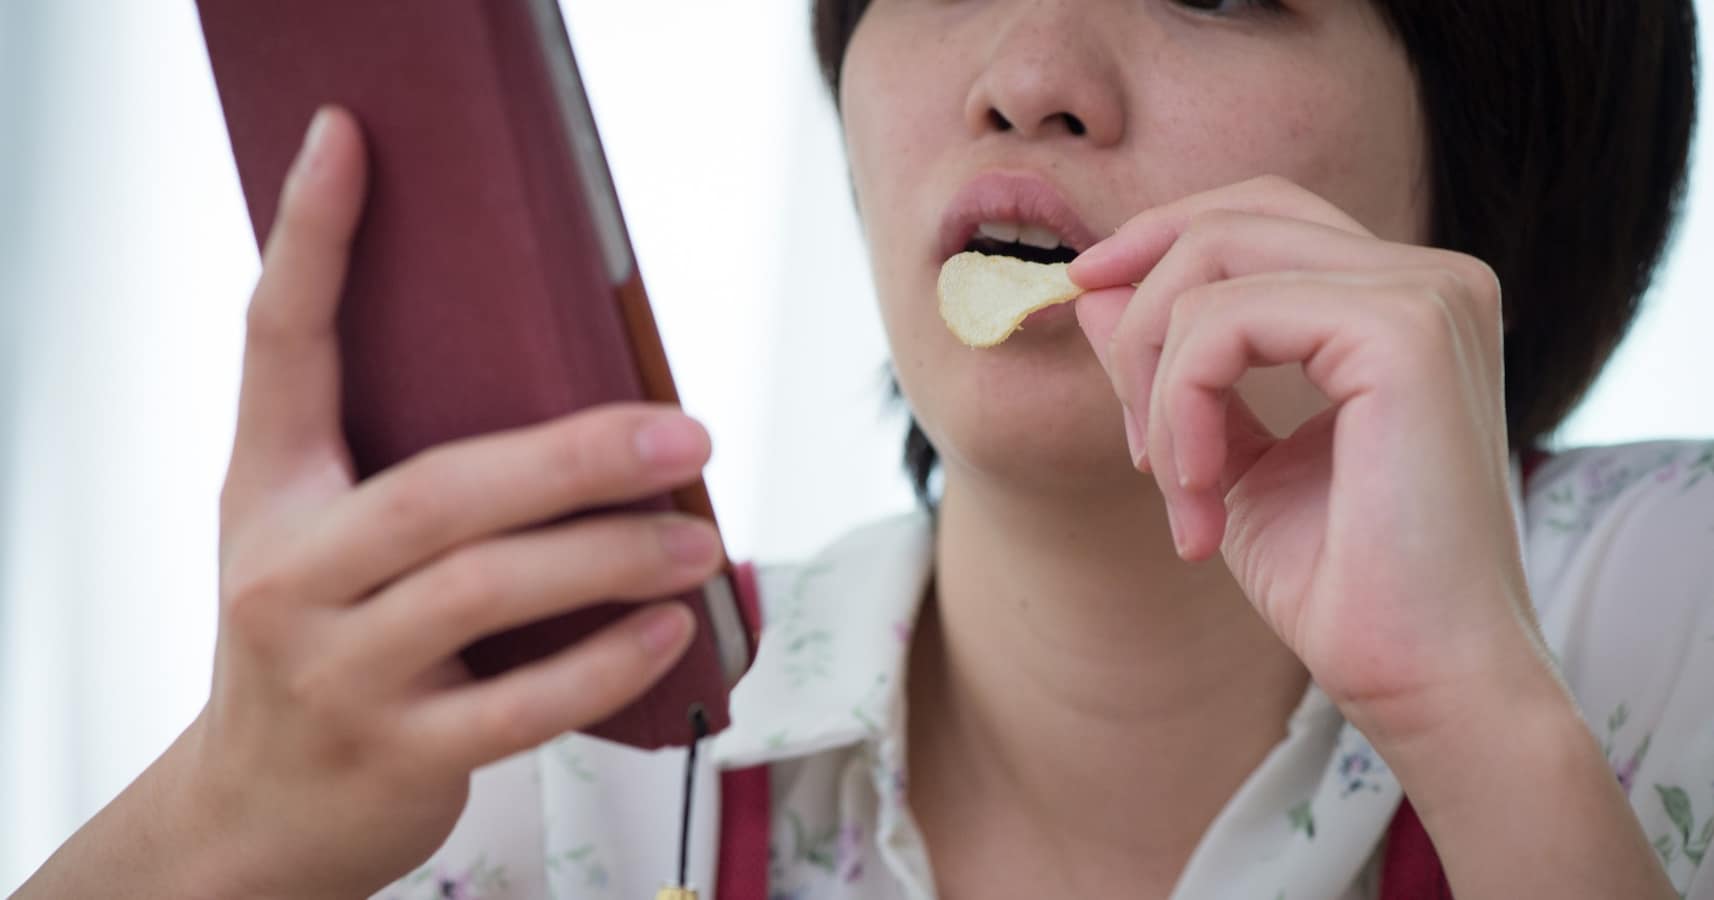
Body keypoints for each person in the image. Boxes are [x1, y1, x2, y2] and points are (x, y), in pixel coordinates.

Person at [17, 1, 1713, 897]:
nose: (1028, 75)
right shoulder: (552, 756)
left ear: (1492, 149)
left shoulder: (1673, 618)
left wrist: (1492, 741)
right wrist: (228, 829)